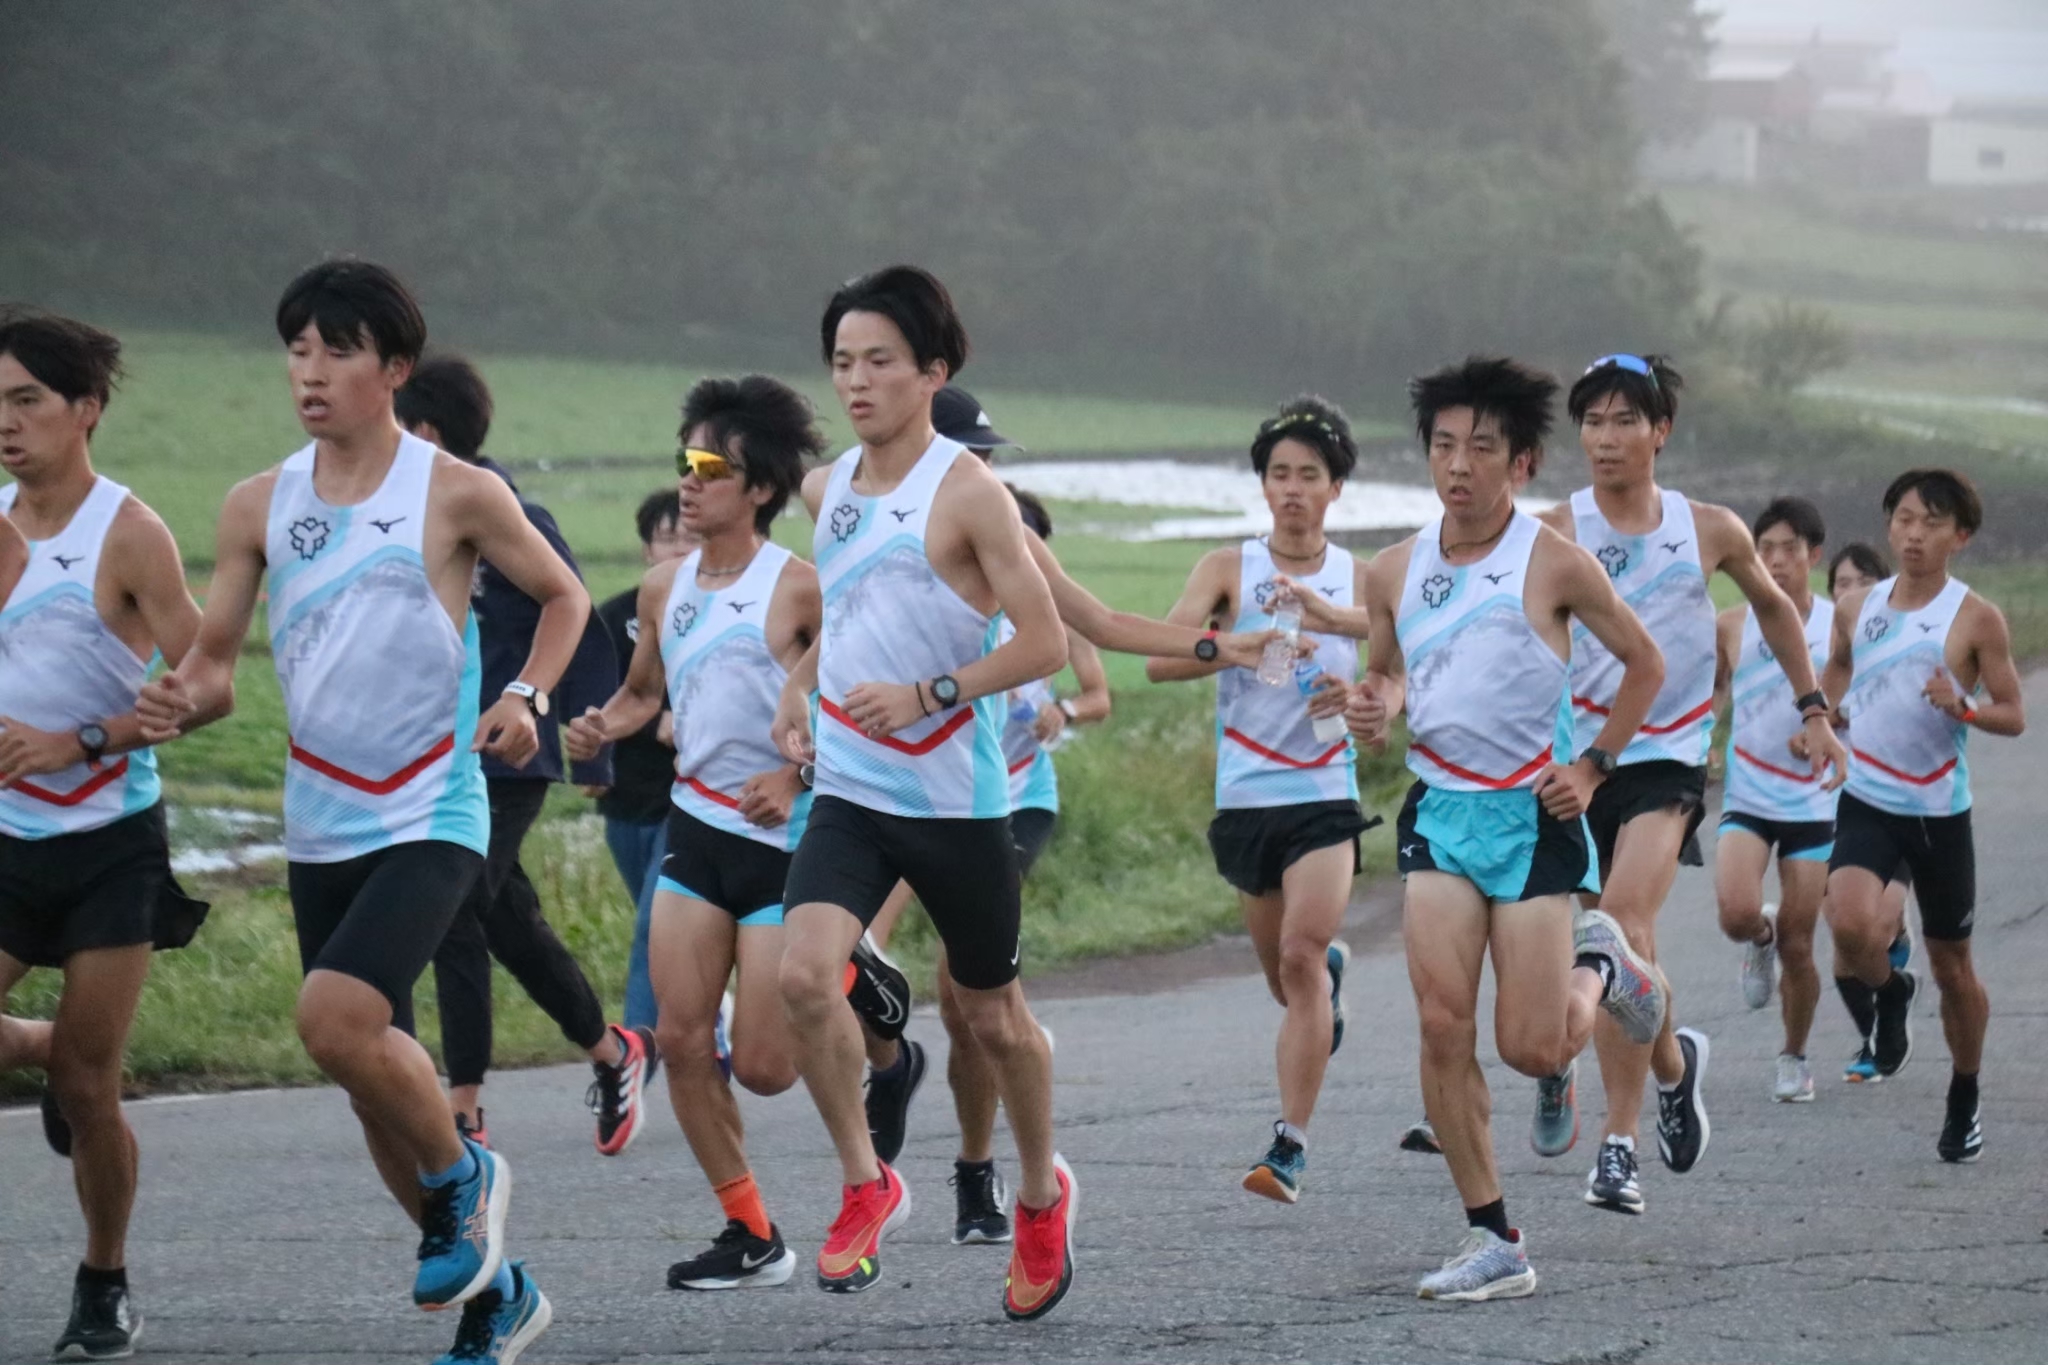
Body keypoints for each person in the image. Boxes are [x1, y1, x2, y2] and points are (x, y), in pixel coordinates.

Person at [138, 260, 583, 1362]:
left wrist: (526, 696)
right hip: (319, 817)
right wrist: (171, 700)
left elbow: (563, 596)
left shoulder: (455, 493)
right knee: (369, 1082)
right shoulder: (258, 503)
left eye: (337, 351)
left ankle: (464, 1175)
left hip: (432, 806)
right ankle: (496, 1294)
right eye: (297, 350)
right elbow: (214, 664)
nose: (311, 372)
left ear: (393, 369)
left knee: (333, 1020)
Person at [858, 383, 1260, 1242]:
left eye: (988, 457)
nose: (982, 471)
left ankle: (978, 1171)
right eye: (971, 453)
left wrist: (1220, 645)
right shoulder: (864, 518)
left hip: (999, 797)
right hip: (894, 786)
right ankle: (890, 1065)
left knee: (964, 993)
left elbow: (1102, 624)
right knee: (847, 950)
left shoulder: (1003, 529)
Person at [770, 265, 1078, 1319]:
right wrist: (798, 692)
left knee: (993, 1019)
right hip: (853, 793)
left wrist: (930, 692)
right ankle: (868, 1182)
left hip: (955, 802)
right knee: (803, 976)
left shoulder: (970, 493)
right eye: (842, 362)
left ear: (932, 372)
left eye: (879, 362)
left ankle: (1038, 1196)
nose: (856, 381)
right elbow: (852, 611)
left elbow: (1044, 641)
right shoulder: (826, 489)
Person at [1345, 355, 1670, 1301]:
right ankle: (1494, 1236)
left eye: (1482, 447)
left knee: (1534, 1046)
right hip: (1441, 814)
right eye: (1444, 445)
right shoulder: (1394, 568)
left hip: (1534, 819)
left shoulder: (1553, 561)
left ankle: (1601, 966)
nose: (1459, 464)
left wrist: (1594, 765)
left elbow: (1645, 663)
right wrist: (1374, 706)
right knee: (1441, 1022)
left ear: (1521, 463)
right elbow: (1388, 674)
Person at [1537, 353, 1846, 1216]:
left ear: (1661, 430)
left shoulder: (1707, 527)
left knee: (1617, 931)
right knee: (1616, 951)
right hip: (1580, 761)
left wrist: (1815, 708)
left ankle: (1619, 1144)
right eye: (1592, 422)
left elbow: (1775, 609)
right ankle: (1676, 1066)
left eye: (1624, 421)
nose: (1605, 438)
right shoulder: (1556, 530)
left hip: (1667, 758)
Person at [567, 374, 824, 1289]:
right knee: (679, 1038)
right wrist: (602, 724)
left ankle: (850, 974)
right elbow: (644, 692)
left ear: (762, 488)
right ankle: (750, 1231)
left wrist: (793, 775)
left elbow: (849, 709)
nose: (690, 479)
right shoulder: (662, 587)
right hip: (696, 829)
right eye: (688, 460)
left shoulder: (799, 588)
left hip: (783, 843)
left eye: (714, 467)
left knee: (764, 1067)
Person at [0, 309, 207, 1359]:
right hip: (6, 836)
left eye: (26, 400)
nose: (6, 422)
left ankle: (103, 1278)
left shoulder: (129, 532)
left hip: (109, 844)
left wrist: (81, 739)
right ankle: (42, 1042)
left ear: (85, 409)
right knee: (70, 1061)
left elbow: (205, 680)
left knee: (90, 1090)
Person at [395, 354, 648, 1155]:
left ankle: (463, 1106)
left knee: (455, 910)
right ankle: (612, 1051)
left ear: (425, 432)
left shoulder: (510, 515)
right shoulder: (406, 521)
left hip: (508, 756)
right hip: (433, 756)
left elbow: (580, 622)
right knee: (508, 919)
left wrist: (594, 755)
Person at [1145, 395, 1371, 1204]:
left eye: (1310, 475)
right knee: (1288, 980)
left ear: (1336, 487)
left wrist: (1362, 697)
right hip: (1246, 796)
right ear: (1264, 485)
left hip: (1325, 791)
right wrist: (1233, 647)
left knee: (1301, 956)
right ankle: (1326, 982)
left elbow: (1401, 667)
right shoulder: (1226, 569)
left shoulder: (1362, 579)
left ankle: (1289, 1147)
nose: (1293, 489)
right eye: (1280, 474)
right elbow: (1162, 659)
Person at [1814, 469, 2023, 1163]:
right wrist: (1819, 718)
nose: (1913, 534)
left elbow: (2014, 713)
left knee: (1954, 967)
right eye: (1903, 519)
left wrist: (1965, 708)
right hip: (1868, 796)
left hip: (1938, 813)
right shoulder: (1857, 605)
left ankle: (1965, 1093)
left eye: (1932, 523)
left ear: (1960, 536)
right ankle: (1892, 991)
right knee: (1847, 922)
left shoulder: (1976, 618)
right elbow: (1838, 666)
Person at [1712, 497, 1834, 1103]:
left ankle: (1794, 1057)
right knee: (1736, 914)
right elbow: (1712, 692)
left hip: (1815, 802)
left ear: (1814, 556)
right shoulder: (1731, 624)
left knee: (1800, 942)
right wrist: (1703, 741)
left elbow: (1855, 696)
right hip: (1749, 793)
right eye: (1766, 550)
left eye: (1790, 549)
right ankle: (1757, 941)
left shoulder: (1836, 625)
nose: (1778, 561)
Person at [591, 489, 693, 1034]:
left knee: (656, 929)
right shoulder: (614, 617)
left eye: (689, 537)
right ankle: (706, 1022)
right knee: (663, 932)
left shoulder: (721, 611)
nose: (678, 549)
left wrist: (687, 720)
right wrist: (591, 762)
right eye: (666, 538)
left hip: (689, 800)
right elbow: (595, 701)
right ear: (646, 550)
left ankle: (635, 1055)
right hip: (626, 799)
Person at [1824, 542, 1915, 1083]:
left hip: (1899, 804)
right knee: (1846, 941)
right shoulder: (1829, 653)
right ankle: (1871, 1036)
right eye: (1841, 583)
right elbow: (1810, 710)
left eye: (1862, 582)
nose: (1850, 592)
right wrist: (1815, 725)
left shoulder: (1904, 641)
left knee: (1873, 930)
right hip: (1833, 809)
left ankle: (1897, 934)